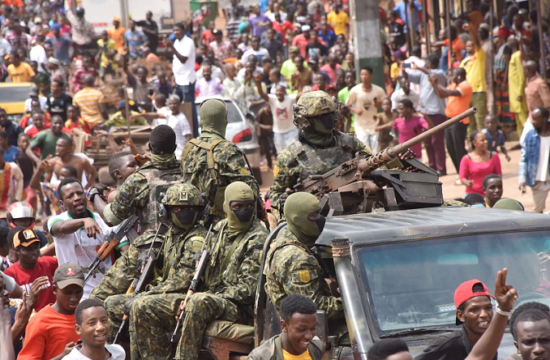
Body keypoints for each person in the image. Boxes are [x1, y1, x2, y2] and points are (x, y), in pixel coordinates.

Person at [107, 183, 207, 358]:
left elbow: (182, 281)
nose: (185, 213)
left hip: (186, 298)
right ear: (166, 211)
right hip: (166, 295)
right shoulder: (172, 235)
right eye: (178, 208)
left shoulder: (196, 239)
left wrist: (147, 292)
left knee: (141, 305)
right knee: (110, 304)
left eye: (191, 208)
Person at [174, 181, 269, 360]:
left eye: (249, 205)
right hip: (213, 297)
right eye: (237, 206)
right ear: (226, 206)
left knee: (198, 303)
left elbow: (247, 290)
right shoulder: (219, 229)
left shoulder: (258, 238)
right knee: (148, 306)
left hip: (241, 308)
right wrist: (188, 297)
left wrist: (205, 297)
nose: (244, 210)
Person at [90, 125, 182, 303]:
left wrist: (94, 196)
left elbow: (111, 218)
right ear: (175, 148)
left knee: (98, 298)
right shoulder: (189, 172)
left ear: (150, 147)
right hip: (186, 246)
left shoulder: (139, 179)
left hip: (151, 247)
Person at [270, 91, 377, 219]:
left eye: (330, 114)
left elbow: (375, 163)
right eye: (322, 116)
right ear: (305, 121)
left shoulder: (350, 143)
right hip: (315, 224)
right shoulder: (290, 156)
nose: (329, 119)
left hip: (356, 216)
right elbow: (276, 194)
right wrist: (284, 205)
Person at [180, 99, 260, 223]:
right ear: (225, 122)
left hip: (191, 222)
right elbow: (248, 189)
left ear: (201, 121)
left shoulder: (188, 148)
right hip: (221, 226)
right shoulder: (228, 150)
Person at [265, 192, 342, 318]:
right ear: (297, 219)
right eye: (314, 215)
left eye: (320, 213)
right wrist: (354, 304)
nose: (320, 219)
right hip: (306, 329)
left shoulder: (287, 234)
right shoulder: (297, 259)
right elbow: (312, 307)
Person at [47, 178, 114, 298]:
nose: (77, 198)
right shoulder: (57, 220)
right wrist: (84, 221)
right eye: (70, 196)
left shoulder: (102, 221)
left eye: (80, 193)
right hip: (76, 294)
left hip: (107, 291)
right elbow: (61, 227)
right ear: (62, 204)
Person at [415, 279, 497, 360]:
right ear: (461, 316)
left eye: (488, 308)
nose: (484, 314)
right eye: (474, 310)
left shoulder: (491, 344)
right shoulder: (446, 346)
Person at [17, 262, 84, 360]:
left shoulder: (87, 315)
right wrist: (63, 356)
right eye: (67, 293)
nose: (74, 298)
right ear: (54, 289)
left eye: (78, 292)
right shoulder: (40, 321)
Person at [403, 54, 448, 175]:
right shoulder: (422, 74)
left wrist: (419, 68)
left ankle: (441, 169)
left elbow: (431, 74)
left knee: (437, 142)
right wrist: (403, 69)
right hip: (424, 113)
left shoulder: (440, 73)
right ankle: (432, 168)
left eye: (427, 63)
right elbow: (408, 76)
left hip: (436, 112)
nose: (425, 65)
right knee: (427, 142)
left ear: (432, 64)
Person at [247, 295, 325, 360]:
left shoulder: (317, 348)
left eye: (313, 328)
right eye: (301, 329)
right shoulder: (261, 357)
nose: (309, 336)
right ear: (284, 326)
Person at [430, 68, 473, 177]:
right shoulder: (454, 84)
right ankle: (461, 172)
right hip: (449, 120)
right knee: (450, 147)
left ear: (459, 76)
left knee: (459, 148)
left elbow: (448, 92)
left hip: (460, 120)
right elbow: (441, 94)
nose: (451, 77)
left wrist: (436, 83)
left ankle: (466, 172)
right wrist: (434, 85)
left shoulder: (465, 86)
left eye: (453, 75)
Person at [4, 228, 57, 312]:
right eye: (28, 249)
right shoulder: (10, 274)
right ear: (17, 249)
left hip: (52, 317)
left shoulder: (47, 263)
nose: (34, 252)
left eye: (36, 247)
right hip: (28, 319)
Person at [137, 95, 192, 160]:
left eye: (174, 104)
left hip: (180, 153)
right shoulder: (169, 114)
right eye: (170, 104)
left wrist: (187, 152)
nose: (172, 106)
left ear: (179, 104)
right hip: (172, 152)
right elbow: (157, 115)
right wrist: (141, 115)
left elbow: (188, 136)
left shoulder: (182, 119)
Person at [167, 23, 198, 138]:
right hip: (179, 80)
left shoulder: (188, 42)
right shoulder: (176, 42)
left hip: (187, 80)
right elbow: (176, 63)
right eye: (174, 31)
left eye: (178, 30)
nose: (175, 33)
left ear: (183, 30)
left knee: (189, 109)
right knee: (176, 105)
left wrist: (172, 48)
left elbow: (183, 59)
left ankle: (194, 134)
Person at [255, 74, 299, 154]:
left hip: (291, 131)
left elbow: (301, 94)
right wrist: (258, 83)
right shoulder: (272, 99)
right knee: (281, 154)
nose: (278, 93)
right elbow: (262, 93)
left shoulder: (290, 98)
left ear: (284, 92)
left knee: (294, 153)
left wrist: (298, 80)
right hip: (278, 132)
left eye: (280, 91)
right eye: (277, 91)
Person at [346, 66, 386, 151]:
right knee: (365, 150)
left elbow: (386, 103)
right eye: (362, 75)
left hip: (374, 124)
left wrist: (379, 104)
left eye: (366, 74)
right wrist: (355, 110)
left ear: (371, 76)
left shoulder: (378, 90)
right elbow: (347, 104)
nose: (363, 77)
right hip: (361, 125)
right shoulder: (355, 90)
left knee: (375, 151)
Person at [519, 107, 550, 213]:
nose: (533, 122)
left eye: (536, 119)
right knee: (538, 211)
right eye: (533, 119)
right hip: (537, 179)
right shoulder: (530, 136)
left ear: (545, 118)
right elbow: (524, 159)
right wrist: (522, 178)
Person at [460, 20, 487, 133]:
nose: (468, 47)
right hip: (466, 93)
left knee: (480, 120)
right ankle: (471, 146)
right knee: (469, 122)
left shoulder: (479, 56)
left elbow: (476, 42)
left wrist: (471, 30)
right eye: (467, 46)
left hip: (478, 91)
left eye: (471, 46)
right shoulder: (464, 61)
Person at [459, 131, 502, 197]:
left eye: (486, 139)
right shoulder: (466, 159)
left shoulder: (494, 156)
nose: (486, 142)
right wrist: (467, 183)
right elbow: (462, 178)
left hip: (491, 196)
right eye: (482, 140)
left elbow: (499, 175)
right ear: (474, 143)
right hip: (472, 195)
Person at [508, 44, 528, 138]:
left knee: (523, 119)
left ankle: (529, 139)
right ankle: (522, 141)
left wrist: (520, 93)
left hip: (518, 94)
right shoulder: (513, 55)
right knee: (518, 121)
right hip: (513, 94)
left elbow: (521, 75)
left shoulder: (518, 55)